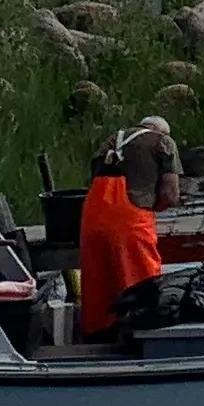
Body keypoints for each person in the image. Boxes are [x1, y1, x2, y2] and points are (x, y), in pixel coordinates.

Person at [74, 118, 178, 340]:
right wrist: (153, 207)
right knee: (142, 280)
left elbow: (94, 176)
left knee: (99, 282)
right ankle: (144, 336)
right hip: (131, 218)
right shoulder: (163, 142)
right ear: (161, 131)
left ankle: (97, 336)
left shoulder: (112, 140)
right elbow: (170, 194)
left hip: (93, 215)